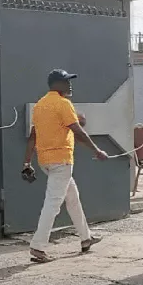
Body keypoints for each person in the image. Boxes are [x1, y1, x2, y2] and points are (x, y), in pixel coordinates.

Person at [22, 69, 107, 263]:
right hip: (61, 160)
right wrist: (97, 151)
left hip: (46, 161)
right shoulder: (63, 104)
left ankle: (86, 238)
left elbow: (33, 137)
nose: (70, 84)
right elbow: (78, 132)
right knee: (53, 204)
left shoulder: (40, 105)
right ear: (56, 84)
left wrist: (27, 162)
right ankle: (37, 246)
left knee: (72, 199)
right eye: (66, 81)